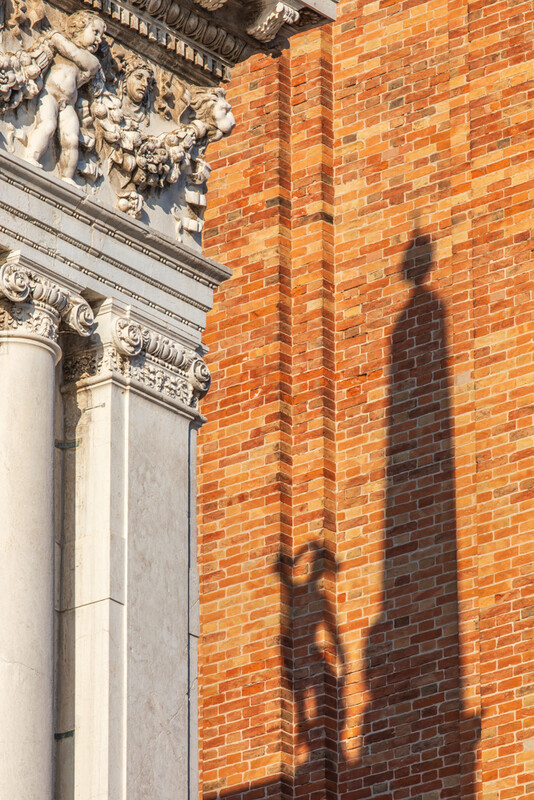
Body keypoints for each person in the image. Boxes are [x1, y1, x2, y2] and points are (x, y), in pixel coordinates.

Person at [25, 11, 105, 183]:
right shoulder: (62, 46)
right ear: (78, 28)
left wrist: (55, 36)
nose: (98, 39)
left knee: (72, 138)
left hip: (69, 103)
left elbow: (74, 53)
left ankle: (67, 177)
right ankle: (32, 157)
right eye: (95, 32)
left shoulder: (92, 61)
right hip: (50, 94)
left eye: (101, 35)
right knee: (47, 125)